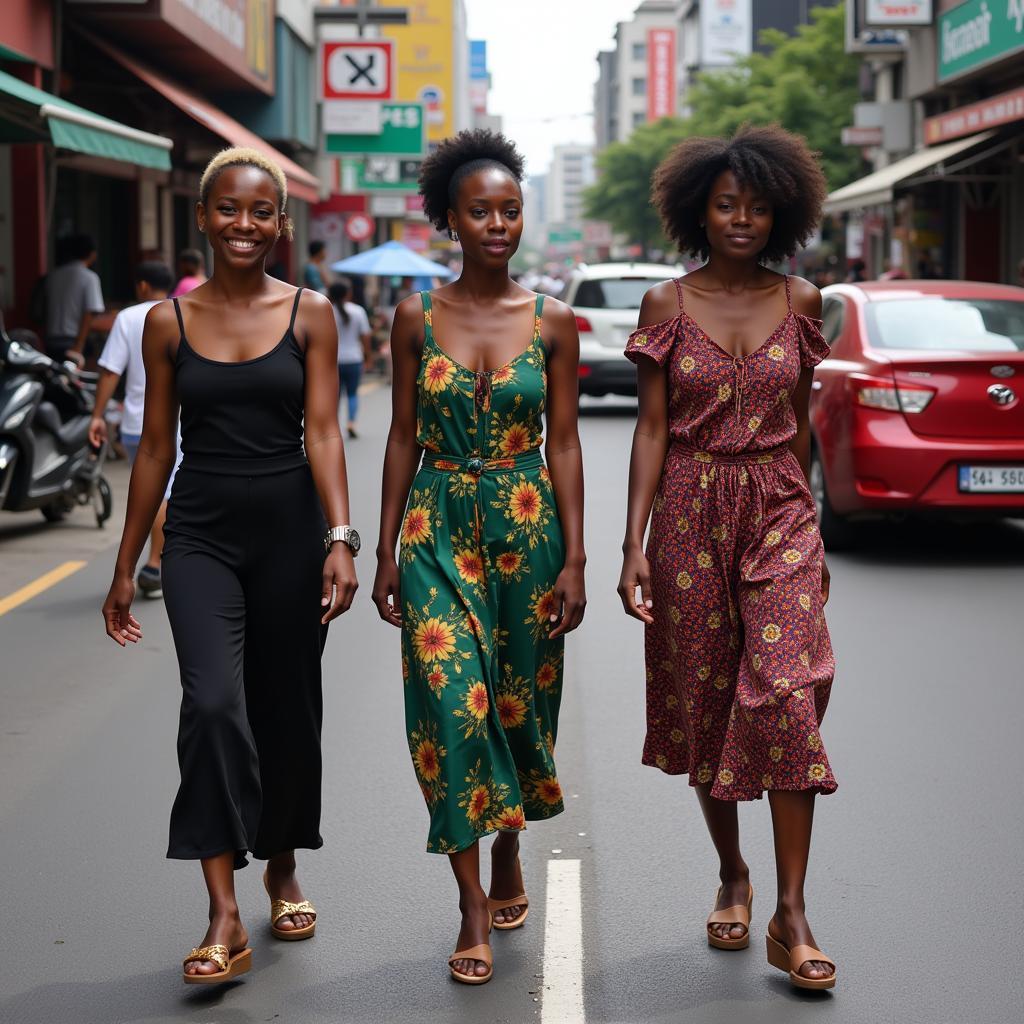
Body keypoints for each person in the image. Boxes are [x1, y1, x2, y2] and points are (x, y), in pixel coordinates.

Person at [100, 147, 359, 986]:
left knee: (285, 708)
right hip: (202, 532)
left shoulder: (311, 313)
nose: (243, 225)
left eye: (260, 212)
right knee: (212, 704)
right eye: (228, 210)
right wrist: (126, 558)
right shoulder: (166, 324)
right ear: (203, 218)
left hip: (291, 526)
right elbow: (154, 451)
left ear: (281, 224)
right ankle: (221, 909)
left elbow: (323, 432)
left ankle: (282, 867)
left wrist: (341, 539)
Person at [617, 125, 838, 992]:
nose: (741, 218)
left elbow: (807, 421)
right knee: (707, 704)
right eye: (725, 204)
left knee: (785, 693)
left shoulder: (805, 301)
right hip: (687, 515)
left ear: (781, 211)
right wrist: (632, 542)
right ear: (696, 211)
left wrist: (813, 535)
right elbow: (652, 427)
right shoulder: (666, 306)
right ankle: (733, 873)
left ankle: (792, 913)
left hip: (779, 506)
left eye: (756, 205)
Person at [372, 129, 586, 985]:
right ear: (449, 221)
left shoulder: (554, 320)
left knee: (516, 708)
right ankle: (469, 904)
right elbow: (398, 435)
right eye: (479, 211)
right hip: (435, 527)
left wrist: (574, 559)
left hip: (528, 529)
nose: (497, 223)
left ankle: (508, 845)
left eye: (509, 209)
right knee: (452, 707)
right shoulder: (416, 316)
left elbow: (565, 444)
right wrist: (382, 549)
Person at [90, 260, 180, 599]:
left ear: (142, 286)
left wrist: (98, 414)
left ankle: (155, 563)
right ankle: (157, 563)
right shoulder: (180, 312)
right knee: (167, 492)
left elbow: (111, 370)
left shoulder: (128, 318)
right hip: (179, 420)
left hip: (136, 421)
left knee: (152, 490)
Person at [45, 233, 104, 365]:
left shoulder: (53, 276)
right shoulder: (89, 277)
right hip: (73, 341)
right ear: (92, 254)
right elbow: (89, 313)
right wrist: (79, 345)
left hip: (50, 340)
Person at [328, 278, 372, 439]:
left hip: (333, 361)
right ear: (347, 293)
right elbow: (365, 336)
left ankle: (333, 426)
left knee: (335, 395)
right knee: (353, 393)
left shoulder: (327, 310)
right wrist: (368, 357)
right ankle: (351, 423)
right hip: (354, 358)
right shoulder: (358, 311)